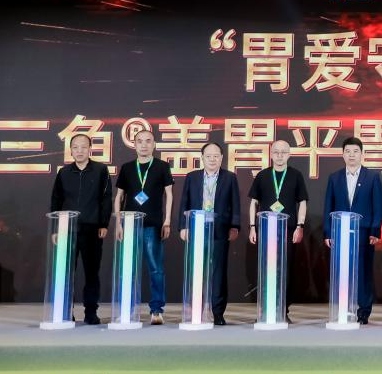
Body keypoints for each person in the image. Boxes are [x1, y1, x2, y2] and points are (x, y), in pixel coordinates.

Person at [48, 133, 112, 325]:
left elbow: (106, 199)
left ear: (90, 148)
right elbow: (56, 200)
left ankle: (91, 312)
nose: (80, 151)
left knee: (92, 273)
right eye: (75, 147)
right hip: (67, 229)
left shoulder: (100, 170)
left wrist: (103, 224)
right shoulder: (64, 172)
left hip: (92, 228)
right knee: (67, 272)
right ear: (70, 150)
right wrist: (56, 229)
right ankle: (66, 310)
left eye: (83, 147)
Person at [112, 129, 174, 325]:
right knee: (128, 269)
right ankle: (127, 309)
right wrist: (118, 222)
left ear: (154, 144)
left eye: (148, 141)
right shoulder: (127, 167)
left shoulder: (162, 166)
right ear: (135, 144)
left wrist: (167, 220)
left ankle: (156, 310)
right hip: (130, 224)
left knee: (156, 269)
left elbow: (169, 195)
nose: (144, 145)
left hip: (153, 225)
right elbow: (119, 197)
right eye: (140, 141)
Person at [178, 142, 241, 325]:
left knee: (218, 272)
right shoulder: (192, 177)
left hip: (220, 229)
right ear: (202, 158)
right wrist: (183, 226)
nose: (212, 159)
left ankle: (218, 312)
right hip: (197, 228)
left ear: (221, 158)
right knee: (197, 270)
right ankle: (196, 310)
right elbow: (184, 202)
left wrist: (234, 226)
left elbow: (235, 203)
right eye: (208, 156)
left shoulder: (230, 177)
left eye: (216, 156)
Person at [323, 137, 382, 324]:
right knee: (343, 271)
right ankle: (343, 307)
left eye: (355, 151)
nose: (351, 155)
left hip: (364, 233)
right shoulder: (334, 178)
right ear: (342, 154)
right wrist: (328, 232)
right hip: (341, 231)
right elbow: (328, 207)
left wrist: (375, 230)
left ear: (362, 154)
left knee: (363, 273)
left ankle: (363, 311)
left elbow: (378, 206)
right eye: (348, 151)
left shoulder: (372, 177)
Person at [247, 140, 308, 323]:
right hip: (266, 230)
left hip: (288, 231)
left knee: (285, 270)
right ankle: (265, 309)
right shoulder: (263, 175)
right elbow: (253, 203)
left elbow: (302, 202)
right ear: (271, 154)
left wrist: (300, 226)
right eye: (276, 152)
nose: (280, 156)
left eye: (283, 152)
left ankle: (283, 310)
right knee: (266, 269)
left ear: (289, 154)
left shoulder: (296, 175)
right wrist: (252, 227)